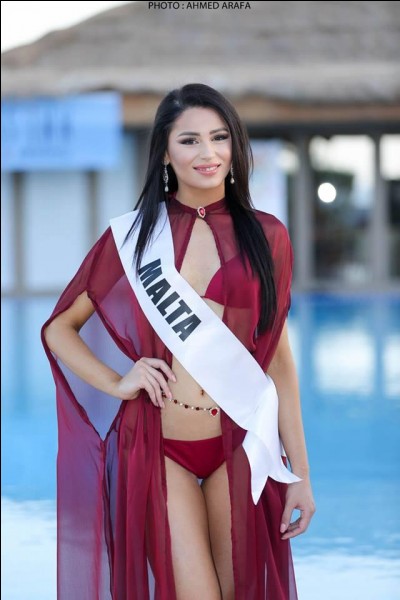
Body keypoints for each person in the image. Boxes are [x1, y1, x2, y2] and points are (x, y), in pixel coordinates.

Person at [42, 82, 316, 600]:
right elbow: (59, 327)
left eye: (219, 137)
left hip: (240, 443)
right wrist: (117, 381)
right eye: (189, 140)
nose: (208, 153)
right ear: (165, 153)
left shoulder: (268, 235)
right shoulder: (134, 237)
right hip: (158, 445)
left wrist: (299, 473)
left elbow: (278, 358)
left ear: (234, 146)